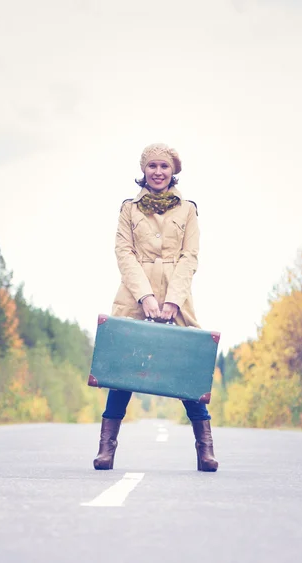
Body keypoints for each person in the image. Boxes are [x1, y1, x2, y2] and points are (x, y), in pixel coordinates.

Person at [93, 143, 218, 472]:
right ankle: (107, 448)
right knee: (123, 373)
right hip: (134, 298)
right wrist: (145, 297)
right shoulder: (128, 209)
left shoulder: (188, 210)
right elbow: (124, 254)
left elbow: (190, 257)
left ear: (173, 171)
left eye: (164, 166)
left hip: (177, 299)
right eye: (152, 166)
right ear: (144, 171)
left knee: (186, 372)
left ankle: (205, 449)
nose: (158, 172)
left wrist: (172, 300)